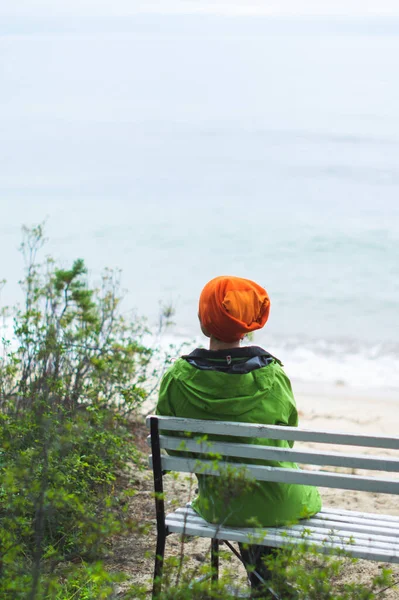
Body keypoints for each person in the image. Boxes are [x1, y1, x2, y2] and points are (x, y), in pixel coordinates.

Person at [156, 275, 322, 594]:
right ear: (248, 326)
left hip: (220, 504)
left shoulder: (177, 380)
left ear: (205, 324)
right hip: (280, 504)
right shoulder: (273, 376)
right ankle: (264, 582)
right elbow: (285, 442)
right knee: (279, 491)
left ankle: (261, 582)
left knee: (247, 496)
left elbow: (176, 450)